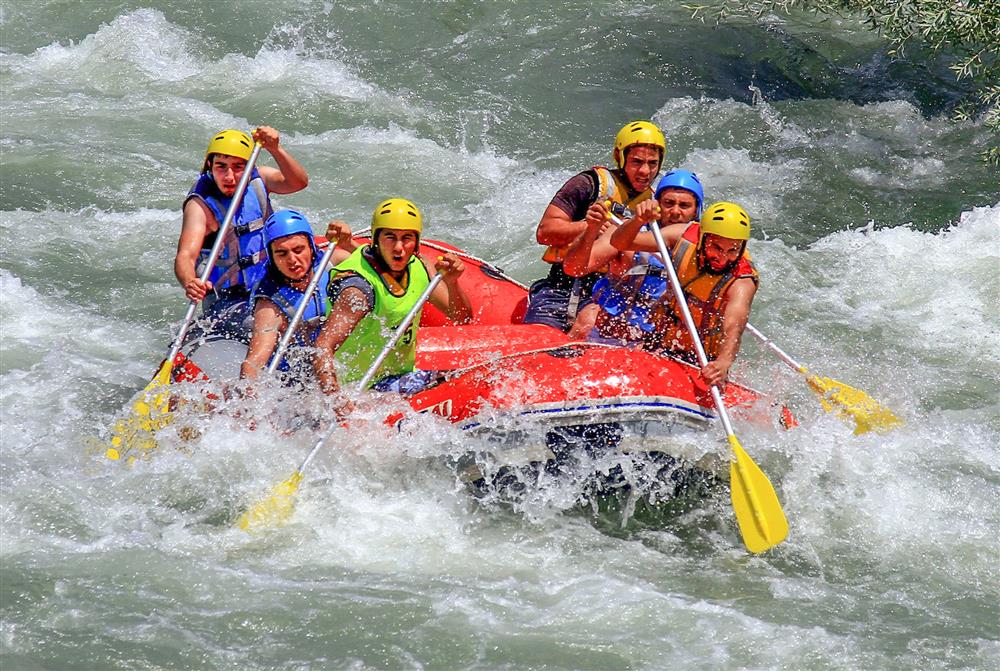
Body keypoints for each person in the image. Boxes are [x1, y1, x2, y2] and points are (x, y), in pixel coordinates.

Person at [313, 198, 473, 397]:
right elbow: (322, 346)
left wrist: (452, 283)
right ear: (376, 239)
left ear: (416, 242)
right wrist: (335, 401)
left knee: (470, 376)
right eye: (390, 237)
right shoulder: (357, 290)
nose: (399, 247)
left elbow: (462, 317)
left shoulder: (420, 266)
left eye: (407, 238)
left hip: (396, 376)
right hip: (357, 388)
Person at [524, 120, 665, 335]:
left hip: (605, 295)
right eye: (637, 162)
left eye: (652, 163)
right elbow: (545, 232)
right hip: (560, 286)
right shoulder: (589, 184)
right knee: (537, 340)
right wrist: (587, 227)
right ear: (620, 158)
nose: (645, 171)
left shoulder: (654, 205)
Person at [606, 201, 759, 387]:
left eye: (733, 250)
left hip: (701, 357)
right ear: (702, 238)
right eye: (716, 248)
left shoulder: (742, 281)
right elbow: (619, 242)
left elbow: (734, 327)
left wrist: (723, 363)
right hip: (659, 337)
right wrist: (638, 220)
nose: (723, 258)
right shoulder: (683, 235)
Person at [174, 126, 309, 313]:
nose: (229, 176)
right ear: (210, 168)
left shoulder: (259, 179)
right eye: (221, 166)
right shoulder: (200, 206)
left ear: (249, 167)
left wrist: (275, 149)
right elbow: (186, 255)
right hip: (229, 299)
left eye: (238, 167)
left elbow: (298, 182)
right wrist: (190, 281)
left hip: (271, 281)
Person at [563, 169, 704, 341]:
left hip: (656, 339)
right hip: (607, 330)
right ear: (657, 203)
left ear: (696, 210)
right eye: (669, 203)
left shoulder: (703, 250)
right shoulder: (626, 232)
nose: (675, 211)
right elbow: (573, 269)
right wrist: (591, 229)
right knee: (589, 316)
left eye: (684, 206)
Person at [240, 210, 355, 381]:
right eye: (282, 253)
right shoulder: (269, 304)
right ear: (271, 257)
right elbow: (254, 361)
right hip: (297, 380)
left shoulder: (331, 263)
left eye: (298, 249)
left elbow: (378, 271)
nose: (292, 260)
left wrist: (349, 244)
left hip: (333, 360)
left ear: (311, 247)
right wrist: (248, 386)